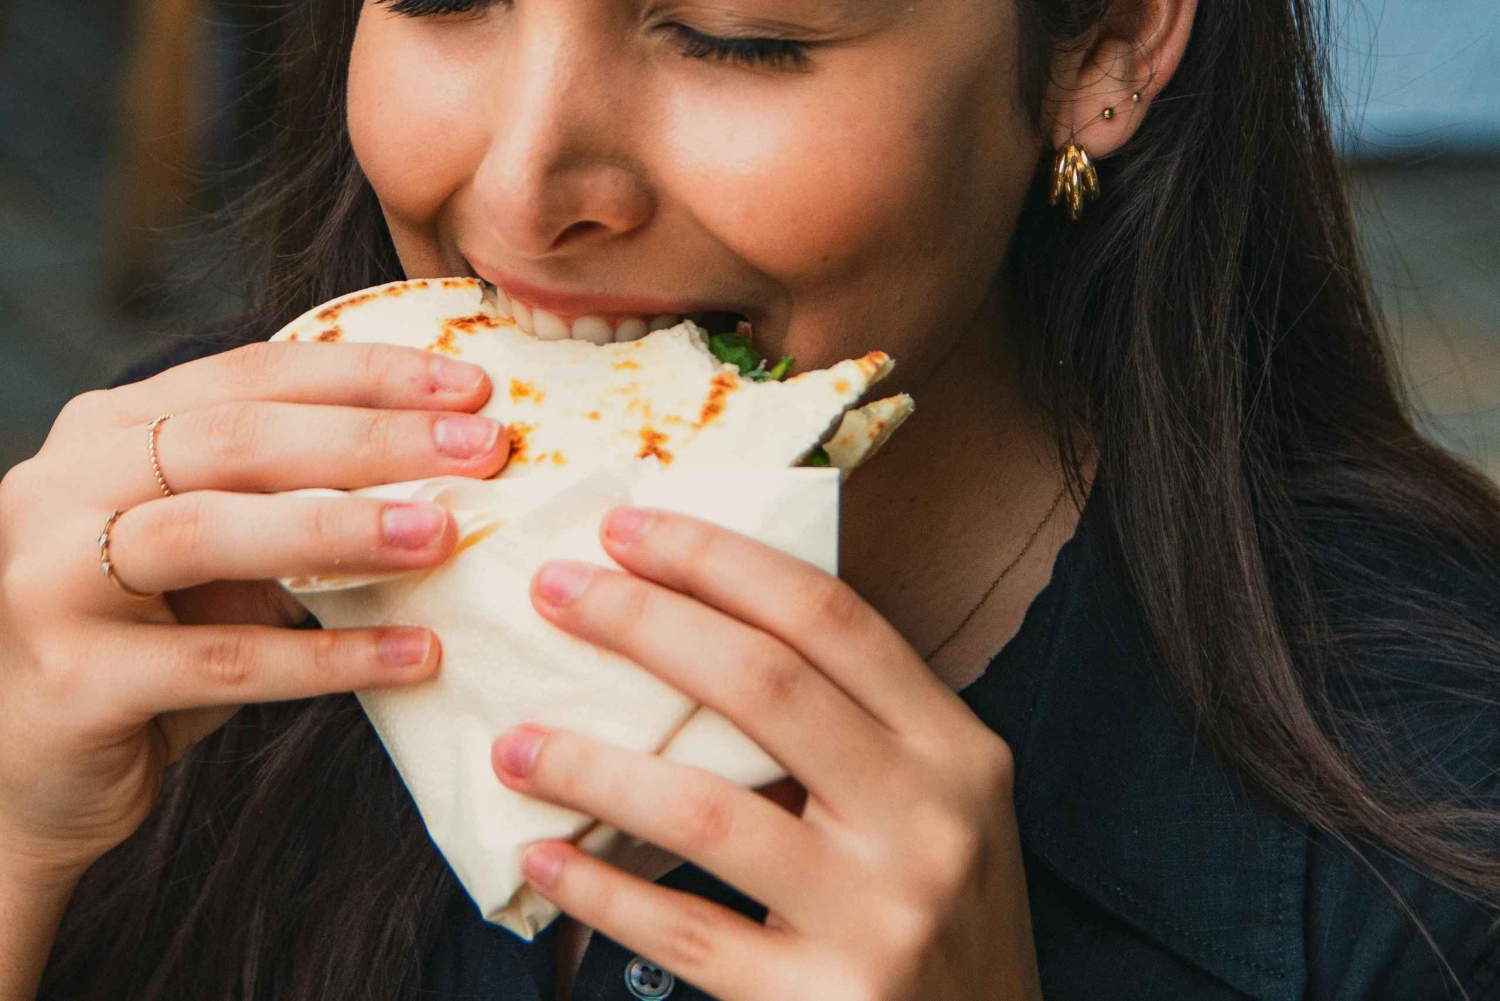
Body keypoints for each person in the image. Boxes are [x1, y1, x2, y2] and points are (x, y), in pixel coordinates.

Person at [2, 0, 1497, 997]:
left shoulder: (1437, 834)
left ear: (1103, 43)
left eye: (736, 34)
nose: (523, 189)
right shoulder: (169, 563)